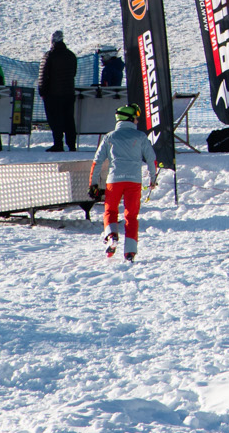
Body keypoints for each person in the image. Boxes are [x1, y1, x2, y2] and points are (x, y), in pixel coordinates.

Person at [89, 103, 158, 261]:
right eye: (136, 118)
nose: (137, 121)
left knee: (110, 211)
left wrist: (92, 183)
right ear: (130, 119)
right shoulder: (140, 136)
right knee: (131, 216)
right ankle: (130, 253)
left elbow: (97, 162)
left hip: (114, 181)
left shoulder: (109, 137)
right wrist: (153, 178)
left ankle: (111, 236)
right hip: (134, 181)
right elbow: (151, 159)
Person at [39, 30, 78, 152]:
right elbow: (74, 73)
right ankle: (72, 145)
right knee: (69, 119)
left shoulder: (49, 55)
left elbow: (43, 76)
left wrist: (42, 92)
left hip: (53, 94)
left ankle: (58, 144)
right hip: (69, 93)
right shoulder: (71, 55)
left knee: (55, 120)